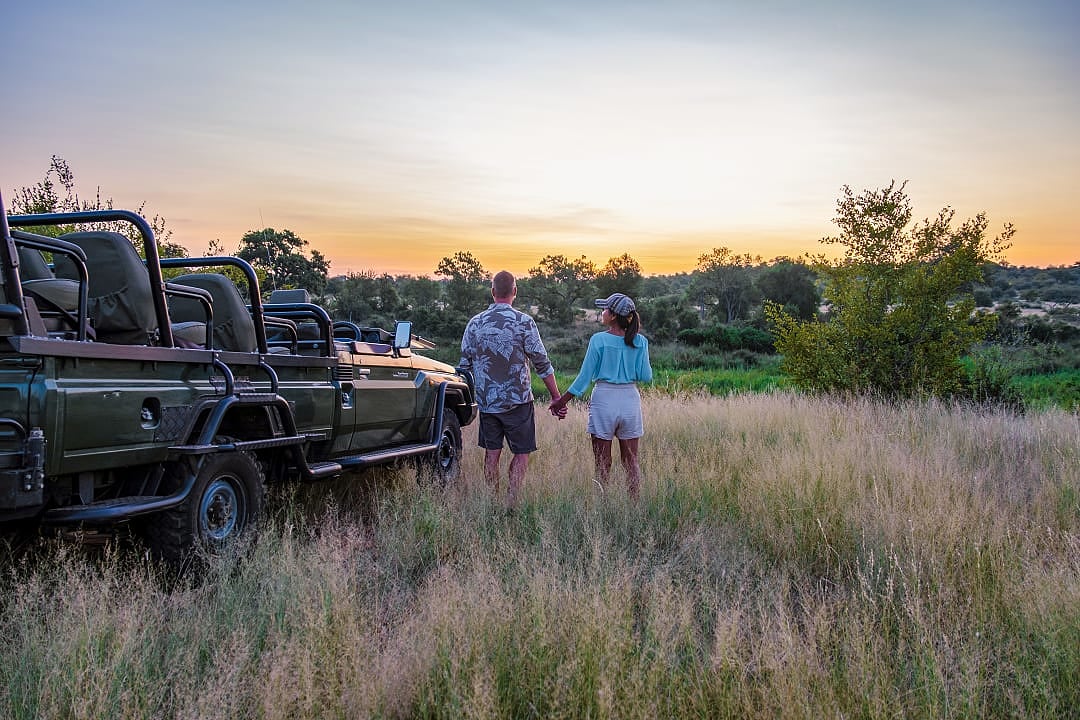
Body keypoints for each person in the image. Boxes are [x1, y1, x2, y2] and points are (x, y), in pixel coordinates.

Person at [460, 270, 565, 510]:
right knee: (521, 453)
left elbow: (463, 367)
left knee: (492, 454)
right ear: (514, 292)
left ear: (493, 291)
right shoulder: (523, 322)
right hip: (518, 402)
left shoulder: (475, 324)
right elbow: (542, 363)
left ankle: (492, 503)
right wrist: (556, 397)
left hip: (487, 403)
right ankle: (511, 503)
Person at [548, 292, 653, 498]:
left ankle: (602, 504)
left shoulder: (599, 340)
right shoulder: (641, 342)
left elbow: (584, 378)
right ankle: (634, 505)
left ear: (613, 315)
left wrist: (561, 401)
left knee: (602, 463)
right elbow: (646, 376)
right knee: (631, 463)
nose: (602, 312)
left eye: (605, 309)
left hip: (604, 400)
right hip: (630, 401)